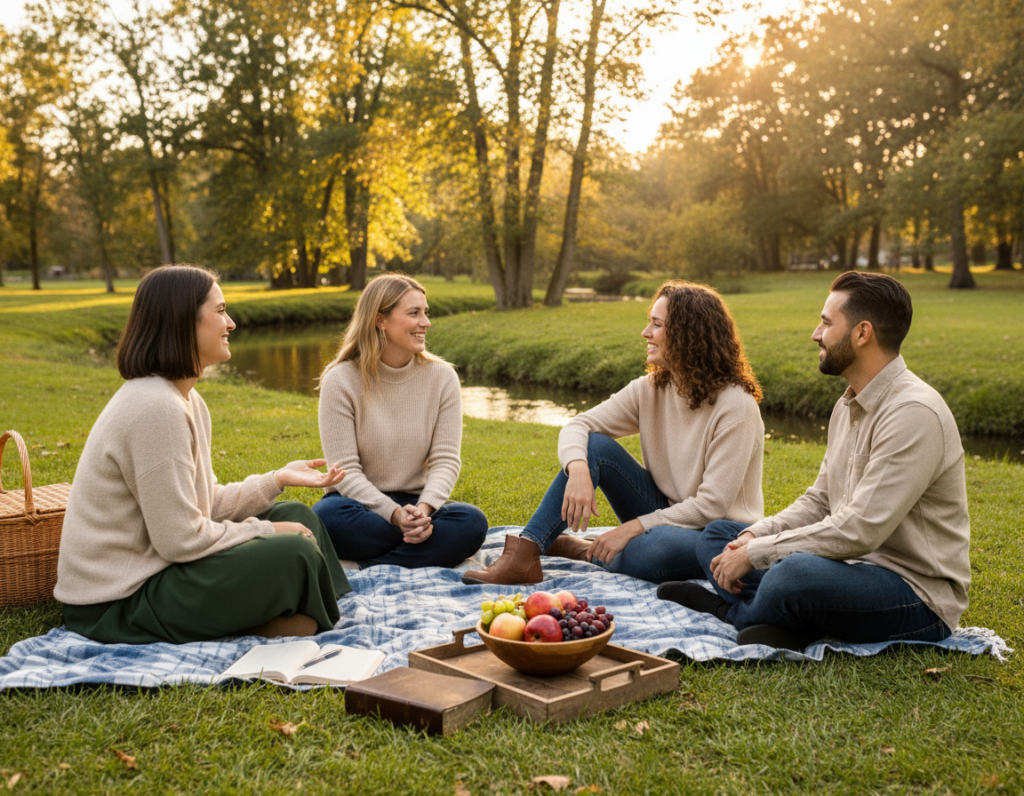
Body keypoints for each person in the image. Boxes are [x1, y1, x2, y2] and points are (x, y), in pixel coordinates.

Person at [658, 272, 971, 651]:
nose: (815, 334)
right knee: (721, 536)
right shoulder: (848, 404)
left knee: (792, 571)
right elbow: (820, 501)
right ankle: (788, 617)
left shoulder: (913, 413)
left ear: (862, 333)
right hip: (846, 568)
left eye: (826, 323)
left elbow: (859, 530)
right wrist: (755, 538)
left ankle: (735, 613)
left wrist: (760, 554)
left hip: (913, 593)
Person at [55, 265, 351, 645]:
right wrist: (265, 531)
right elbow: (180, 540)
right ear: (183, 322)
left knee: (295, 514)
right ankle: (296, 613)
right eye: (221, 310)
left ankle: (316, 609)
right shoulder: (156, 408)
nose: (231, 322)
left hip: (159, 572)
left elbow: (203, 505)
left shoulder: (185, 399)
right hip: (118, 602)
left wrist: (276, 480)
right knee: (292, 548)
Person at [462, 280, 765, 586]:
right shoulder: (651, 389)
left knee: (653, 551)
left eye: (657, 325)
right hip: (664, 512)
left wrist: (632, 527)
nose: (645, 333)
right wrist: (578, 468)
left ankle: (584, 552)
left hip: (716, 533)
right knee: (595, 447)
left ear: (688, 335)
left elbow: (710, 507)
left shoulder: (736, 407)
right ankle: (524, 555)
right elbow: (578, 426)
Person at [313, 273, 488, 569]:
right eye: (414, 313)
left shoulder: (443, 378)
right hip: (357, 505)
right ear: (380, 320)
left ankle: (371, 565)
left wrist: (423, 509)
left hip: (418, 503)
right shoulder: (340, 379)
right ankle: (416, 556)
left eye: (426, 312)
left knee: (471, 523)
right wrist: (394, 514)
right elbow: (346, 471)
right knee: (327, 517)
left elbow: (446, 460)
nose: (426, 323)